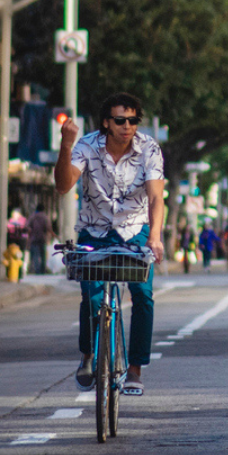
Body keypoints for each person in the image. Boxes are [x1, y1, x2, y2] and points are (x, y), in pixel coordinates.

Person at [55, 92, 166, 398]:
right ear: (107, 122)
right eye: (120, 120)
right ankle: (89, 356)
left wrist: (155, 236)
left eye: (132, 120)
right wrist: (66, 145)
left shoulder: (149, 149)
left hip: (135, 231)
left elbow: (157, 197)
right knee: (91, 298)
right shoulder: (87, 146)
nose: (127, 126)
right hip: (95, 230)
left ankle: (135, 370)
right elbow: (64, 185)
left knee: (143, 295)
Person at [27, 206, 52, 275]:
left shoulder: (32, 216)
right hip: (42, 238)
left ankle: (36, 270)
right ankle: (42, 270)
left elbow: (27, 226)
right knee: (43, 255)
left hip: (34, 238)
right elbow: (48, 228)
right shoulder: (45, 217)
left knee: (35, 255)